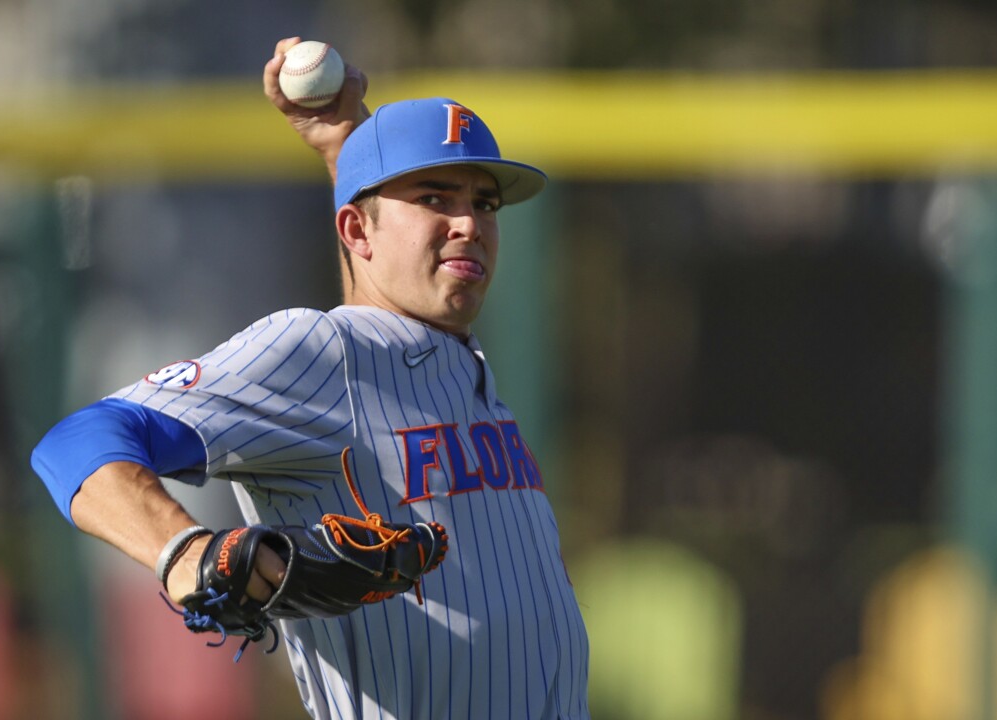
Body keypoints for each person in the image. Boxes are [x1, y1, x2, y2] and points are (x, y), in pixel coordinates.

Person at [31, 37, 590, 719]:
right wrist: (184, 551)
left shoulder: (453, 358)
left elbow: (379, 255)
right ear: (356, 229)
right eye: (437, 197)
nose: (470, 223)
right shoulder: (320, 349)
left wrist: (348, 148)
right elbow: (77, 443)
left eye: (485, 203)